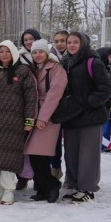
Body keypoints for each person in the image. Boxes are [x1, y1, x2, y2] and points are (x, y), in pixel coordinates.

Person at [59, 32, 111, 202]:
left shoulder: (93, 61)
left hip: (90, 117)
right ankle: (75, 184)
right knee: (72, 153)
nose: (72, 45)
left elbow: (105, 88)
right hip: (71, 117)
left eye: (76, 42)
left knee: (88, 155)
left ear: (83, 44)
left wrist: (87, 103)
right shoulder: (65, 62)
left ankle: (87, 188)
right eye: (69, 42)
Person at [0, 41, 37, 205]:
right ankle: (1, 186)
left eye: (8, 51)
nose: (4, 55)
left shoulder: (23, 71)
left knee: (9, 156)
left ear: (14, 53)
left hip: (14, 122)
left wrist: (29, 120)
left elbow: (31, 97)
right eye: (1, 52)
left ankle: (9, 190)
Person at [24, 40, 67, 203]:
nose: (37, 55)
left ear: (47, 53)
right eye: (34, 52)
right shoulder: (35, 69)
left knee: (39, 154)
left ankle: (52, 185)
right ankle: (42, 189)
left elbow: (54, 94)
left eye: (41, 52)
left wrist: (43, 117)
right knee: (35, 155)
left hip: (47, 116)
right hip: (35, 114)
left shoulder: (56, 69)